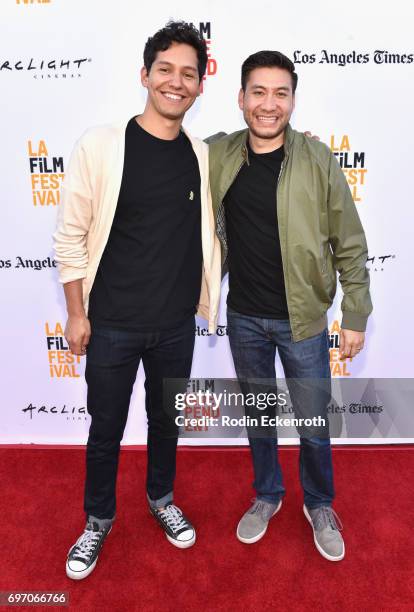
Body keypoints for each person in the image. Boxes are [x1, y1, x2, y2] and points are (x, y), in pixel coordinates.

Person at [53, 21, 221, 580]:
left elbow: (258, 152)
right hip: (113, 325)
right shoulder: (101, 144)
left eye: (189, 74)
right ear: (145, 75)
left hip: (176, 324)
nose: (177, 82)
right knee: (105, 429)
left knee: (165, 421)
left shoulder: (201, 154)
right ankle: (98, 518)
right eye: (166, 70)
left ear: (201, 86)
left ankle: (161, 497)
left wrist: (307, 144)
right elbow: (70, 234)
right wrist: (76, 314)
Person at [208, 50, 372, 561]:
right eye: (258, 91)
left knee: (313, 422)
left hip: (303, 320)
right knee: (259, 418)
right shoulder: (216, 154)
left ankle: (320, 503)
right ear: (241, 98)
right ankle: (268, 494)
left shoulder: (319, 160)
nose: (268, 104)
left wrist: (357, 313)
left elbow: (349, 240)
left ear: (293, 101)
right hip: (244, 318)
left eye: (280, 93)